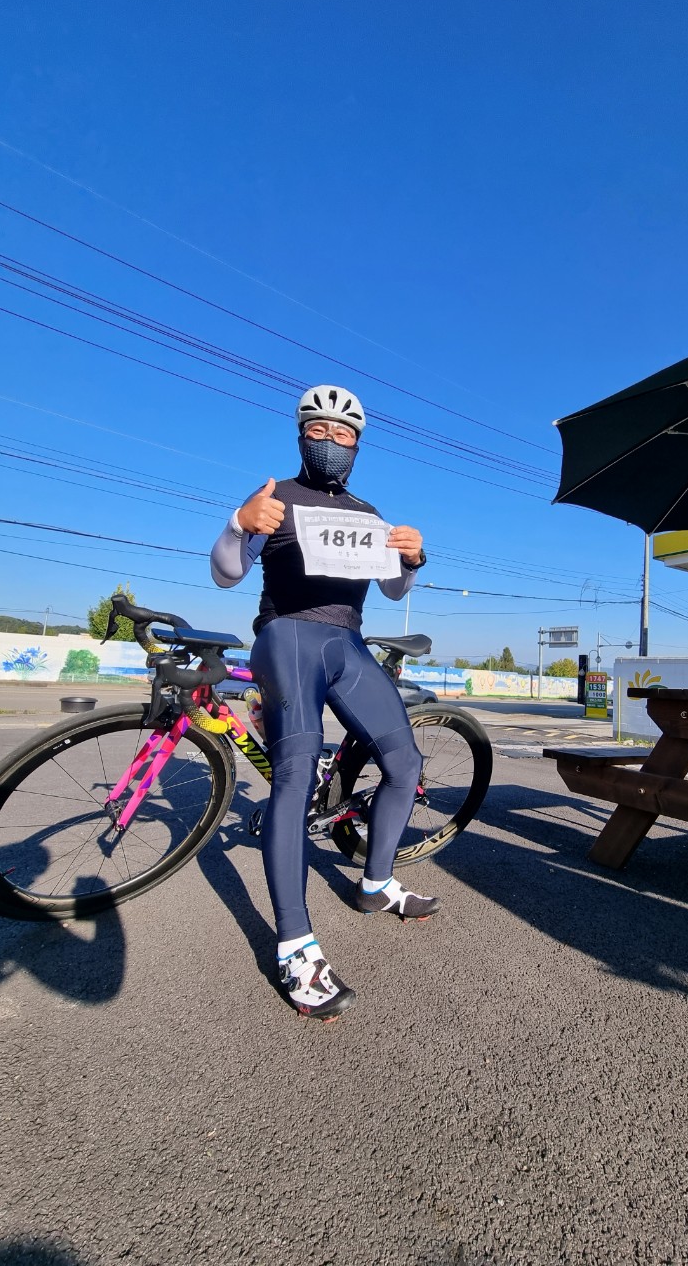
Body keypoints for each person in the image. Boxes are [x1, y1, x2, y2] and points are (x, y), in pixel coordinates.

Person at [210, 384, 437, 1021]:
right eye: (320, 431)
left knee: (405, 764)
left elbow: (393, 590)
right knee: (294, 776)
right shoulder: (275, 496)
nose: (332, 442)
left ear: (357, 446)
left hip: (348, 644)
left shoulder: (367, 511)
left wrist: (412, 557)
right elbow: (225, 572)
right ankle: (294, 945)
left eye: (344, 435)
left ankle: (375, 882)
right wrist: (238, 524)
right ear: (300, 435)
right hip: (286, 635)